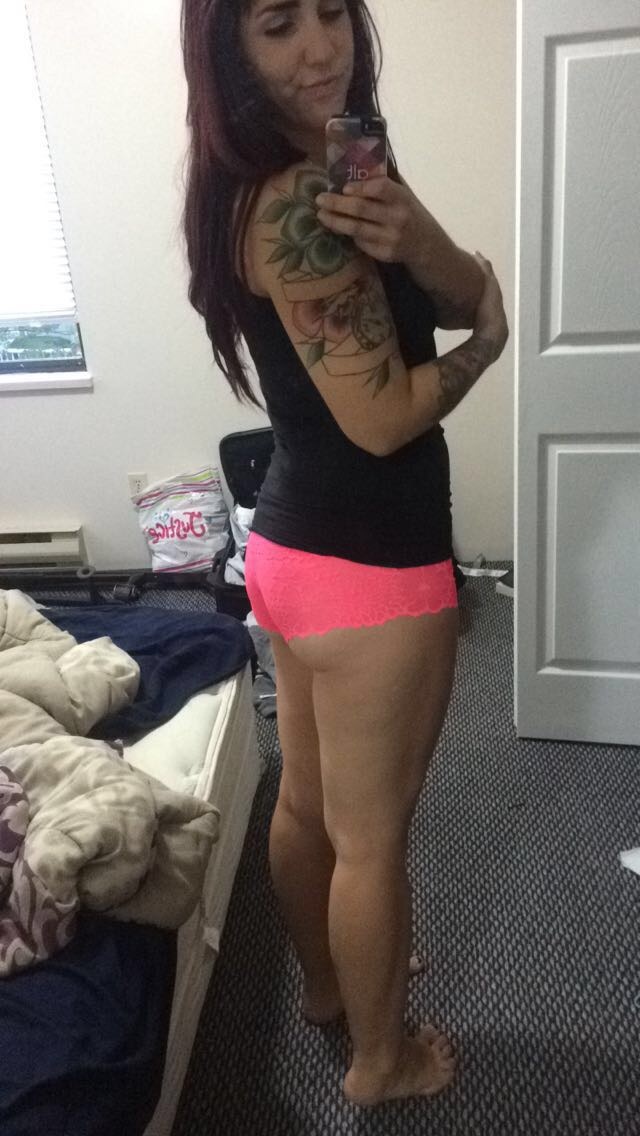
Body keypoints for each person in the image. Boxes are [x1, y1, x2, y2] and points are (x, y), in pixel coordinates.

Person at [180, 0, 509, 1108]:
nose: (319, 46)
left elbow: (449, 290)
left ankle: (328, 989)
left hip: (291, 548)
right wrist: (489, 345)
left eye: (330, 12)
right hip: (371, 569)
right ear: (229, 48)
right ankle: (380, 1061)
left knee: (309, 808)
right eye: (278, 25)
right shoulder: (292, 202)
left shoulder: (317, 165)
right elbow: (383, 418)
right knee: (371, 841)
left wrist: (423, 242)